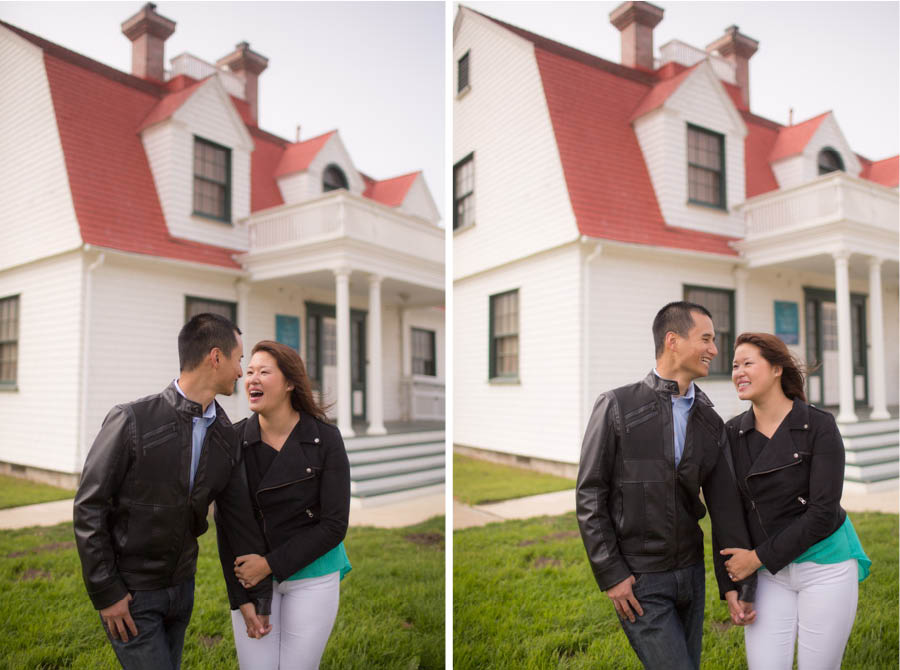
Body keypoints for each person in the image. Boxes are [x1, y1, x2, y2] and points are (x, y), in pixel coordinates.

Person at [73, 313, 273, 670]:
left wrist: (246, 596)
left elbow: (236, 521)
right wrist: (107, 592)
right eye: (239, 360)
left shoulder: (227, 436)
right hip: (132, 595)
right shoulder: (132, 420)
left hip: (182, 591)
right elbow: (90, 507)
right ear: (216, 357)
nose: (242, 372)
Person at [576, 301, 758, 670]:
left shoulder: (709, 420)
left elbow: (724, 509)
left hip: (691, 576)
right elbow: (591, 494)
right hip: (640, 579)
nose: (714, 349)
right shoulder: (616, 406)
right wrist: (612, 574)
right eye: (706, 338)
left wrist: (733, 585)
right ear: (673, 340)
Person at [719, 332, 871, 670]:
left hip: (826, 566)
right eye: (734, 365)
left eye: (748, 363)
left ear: (776, 369)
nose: (738, 372)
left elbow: (822, 513)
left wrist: (756, 558)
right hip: (770, 573)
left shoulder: (819, 425)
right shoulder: (732, 434)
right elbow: (727, 512)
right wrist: (732, 586)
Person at [216, 340, 351, 670]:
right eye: (248, 372)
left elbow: (334, 524)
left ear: (290, 382)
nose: (252, 379)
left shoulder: (325, 439)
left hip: (313, 575)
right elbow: (227, 525)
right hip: (254, 580)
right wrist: (240, 597)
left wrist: (270, 564)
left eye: (264, 371)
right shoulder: (233, 441)